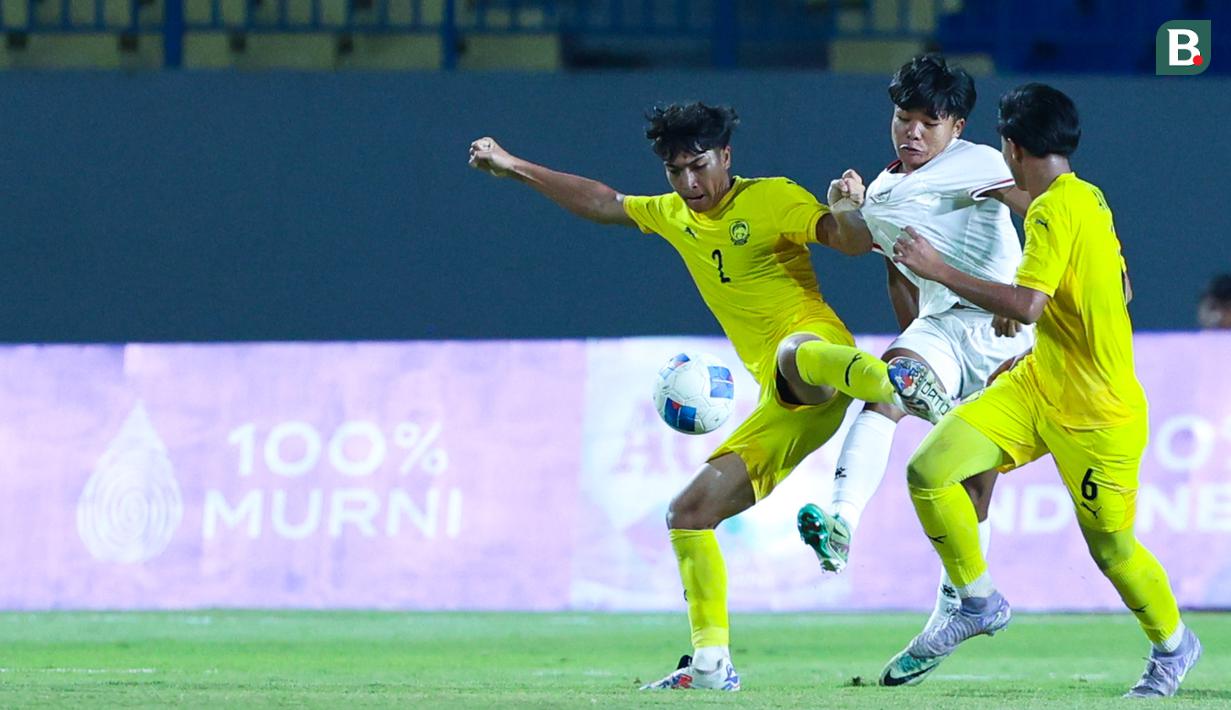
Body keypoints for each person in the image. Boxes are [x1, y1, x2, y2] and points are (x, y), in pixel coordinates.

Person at [469, 103, 901, 691]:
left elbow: (849, 242)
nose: (690, 183)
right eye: (676, 172)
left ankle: (897, 384)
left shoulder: (771, 198)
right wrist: (512, 164)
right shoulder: (675, 215)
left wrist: (850, 206)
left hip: (822, 358)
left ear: (725, 156)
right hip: (787, 407)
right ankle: (709, 666)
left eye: (699, 166)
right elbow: (603, 202)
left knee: (791, 353)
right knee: (689, 514)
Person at [890, 83, 1201, 696]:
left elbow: (1028, 304)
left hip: (1098, 416)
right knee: (930, 470)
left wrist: (938, 269)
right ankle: (976, 600)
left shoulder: (1057, 210)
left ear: (1011, 146)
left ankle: (1173, 645)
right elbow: (1120, 290)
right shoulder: (1086, 199)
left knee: (1112, 552)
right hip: (1036, 387)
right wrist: (1041, 319)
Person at [791, 55, 1034, 682]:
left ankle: (956, 609)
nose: (913, 132)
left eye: (929, 121)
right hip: (943, 327)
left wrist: (1027, 291)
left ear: (956, 126)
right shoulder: (884, 189)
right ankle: (841, 522)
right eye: (904, 118)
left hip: (1004, 326)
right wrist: (853, 212)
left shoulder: (978, 162)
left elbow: (1041, 205)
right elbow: (903, 283)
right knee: (888, 382)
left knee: (969, 491)